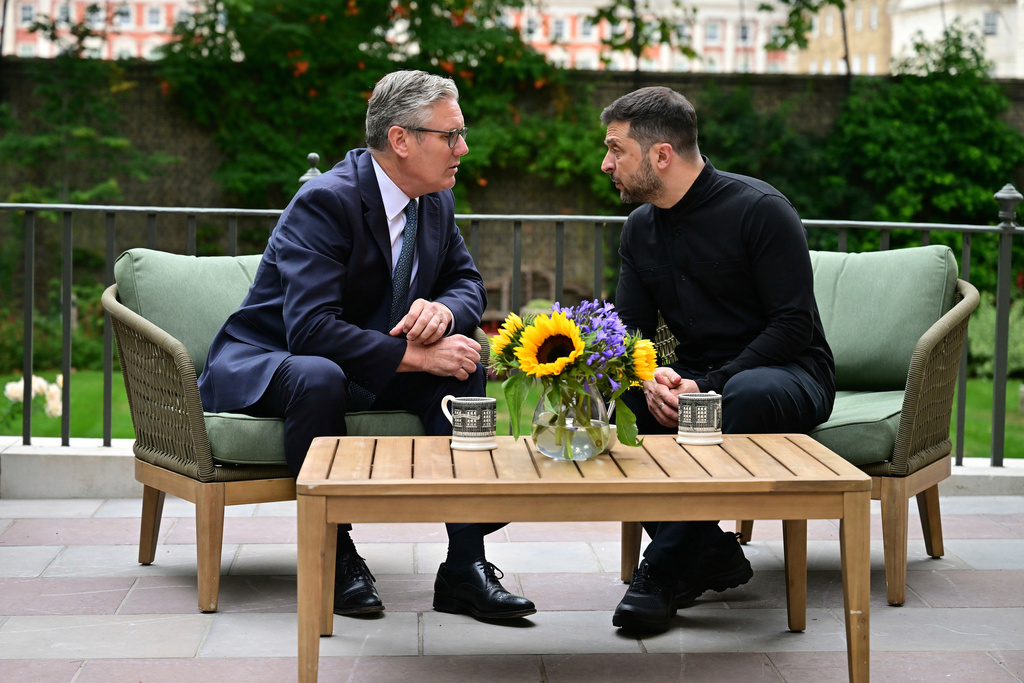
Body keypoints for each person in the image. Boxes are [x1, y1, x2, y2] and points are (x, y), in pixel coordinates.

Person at [198, 70, 534, 620]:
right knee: (318, 373)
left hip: (365, 363)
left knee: (463, 361)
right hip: (272, 360)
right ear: (401, 140)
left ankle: (465, 566)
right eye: (451, 136)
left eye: (461, 134)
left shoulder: (434, 201)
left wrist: (445, 311)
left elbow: (468, 282)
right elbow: (309, 328)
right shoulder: (326, 200)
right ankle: (335, 554)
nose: (463, 148)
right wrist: (417, 355)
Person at [600, 86, 836, 633]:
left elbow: (793, 325)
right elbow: (630, 328)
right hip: (693, 378)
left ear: (661, 155)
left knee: (742, 393)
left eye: (616, 149)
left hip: (787, 374)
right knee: (613, 388)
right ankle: (710, 552)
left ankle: (658, 571)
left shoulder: (761, 210)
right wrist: (651, 376)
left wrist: (709, 385)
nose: (606, 163)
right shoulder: (640, 228)